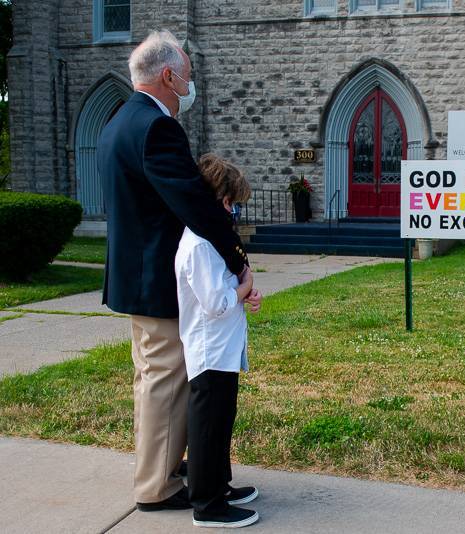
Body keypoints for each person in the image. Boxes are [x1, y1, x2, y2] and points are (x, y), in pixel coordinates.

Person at [97, 29, 250, 512]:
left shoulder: (119, 121)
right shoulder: (157, 127)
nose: (190, 85)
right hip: (159, 279)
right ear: (168, 76)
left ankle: (166, 467)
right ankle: (156, 487)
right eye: (187, 77)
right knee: (165, 382)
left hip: (134, 276)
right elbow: (195, 204)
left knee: (153, 380)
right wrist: (238, 261)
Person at [175, 154, 262, 528]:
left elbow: (226, 290)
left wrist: (243, 291)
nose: (234, 210)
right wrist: (243, 289)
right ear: (215, 198)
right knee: (208, 424)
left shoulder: (212, 239)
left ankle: (219, 485)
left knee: (222, 418)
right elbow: (216, 303)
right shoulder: (199, 245)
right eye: (230, 202)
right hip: (209, 351)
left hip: (223, 350)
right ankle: (207, 504)